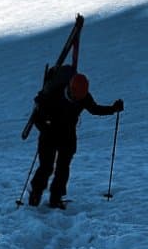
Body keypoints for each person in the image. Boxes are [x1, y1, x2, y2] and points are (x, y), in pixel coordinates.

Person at [27, 68, 121, 210]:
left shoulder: (84, 96)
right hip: (49, 134)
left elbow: (94, 109)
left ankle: (56, 198)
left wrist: (113, 109)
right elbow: (37, 117)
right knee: (46, 167)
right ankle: (35, 194)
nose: (77, 99)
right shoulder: (53, 95)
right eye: (75, 96)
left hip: (67, 134)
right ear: (70, 88)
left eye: (79, 97)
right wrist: (47, 129)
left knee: (63, 168)